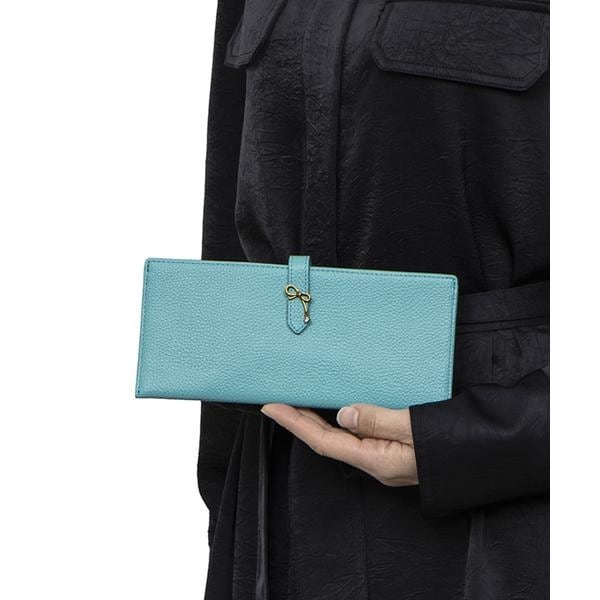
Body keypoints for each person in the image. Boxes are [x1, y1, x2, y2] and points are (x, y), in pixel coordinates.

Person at [197, 1, 550, 599]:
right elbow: (232, 250)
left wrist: (491, 439)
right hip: (278, 518)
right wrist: (225, 520)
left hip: (510, 527)